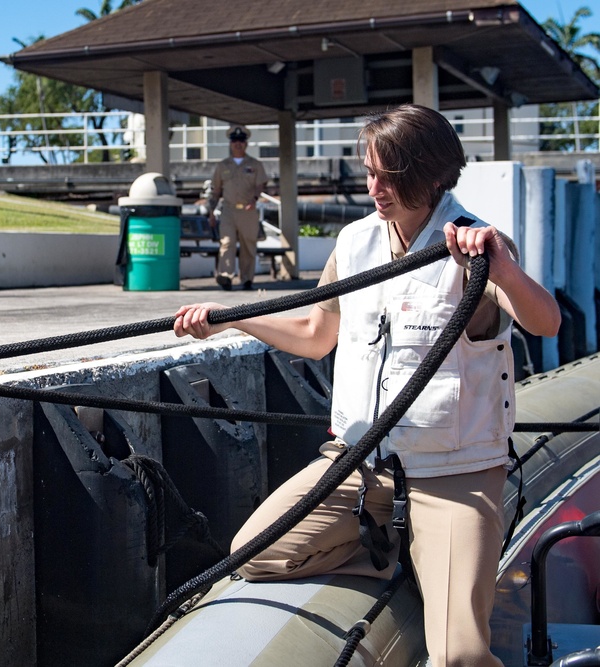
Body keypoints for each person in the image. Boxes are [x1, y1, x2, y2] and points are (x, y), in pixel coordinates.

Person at [173, 104, 560, 667]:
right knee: (256, 554)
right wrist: (230, 317)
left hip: (453, 474)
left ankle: (437, 552)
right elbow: (314, 332)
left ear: (430, 175)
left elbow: (544, 321)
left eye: (388, 177)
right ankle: (407, 555)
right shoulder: (355, 244)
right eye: (369, 173)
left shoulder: (478, 247)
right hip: (358, 464)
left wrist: (502, 269)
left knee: (459, 656)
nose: (373, 189)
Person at [207, 124, 270, 291]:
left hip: (248, 210)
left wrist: (255, 199)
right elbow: (216, 191)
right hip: (228, 209)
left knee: (248, 245)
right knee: (227, 243)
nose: (238, 144)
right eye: (234, 140)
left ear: (246, 143)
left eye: (241, 140)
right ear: (230, 143)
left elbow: (260, 185)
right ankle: (226, 276)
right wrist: (211, 213)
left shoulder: (255, 164)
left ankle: (247, 278)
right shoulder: (222, 166)